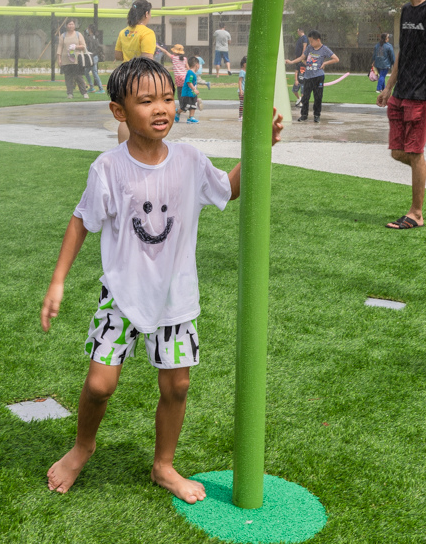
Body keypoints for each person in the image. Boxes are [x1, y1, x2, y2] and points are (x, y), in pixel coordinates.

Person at [40, 57, 282, 502]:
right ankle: (82, 447)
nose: (161, 108)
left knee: (177, 385)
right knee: (99, 384)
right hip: (122, 295)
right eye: (146, 100)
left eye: (168, 98)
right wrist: (57, 283)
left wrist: (260, 148)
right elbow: (81, 220)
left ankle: (163, 465)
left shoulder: (189, 159)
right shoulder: (109, 168)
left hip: (175, 296)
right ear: (119, 111)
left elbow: (228, 189)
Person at [377, 0, 426, 230]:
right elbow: (403, 53)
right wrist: (388, 87)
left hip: (420, 95)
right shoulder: (407, 11)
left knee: (415, 152)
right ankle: (422, 173)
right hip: (401, 93)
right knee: (397, 152)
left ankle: (416, 214)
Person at [114, 0, 156, 142]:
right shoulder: (147, 33)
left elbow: (118, 56)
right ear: (146, 14)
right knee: (144, 114)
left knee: (125, 116)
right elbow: (147, 59)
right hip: (139, 78)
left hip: (124, 76)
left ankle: (122, 150)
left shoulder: (123, 32)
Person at [285, 30, 339, 123]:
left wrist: (325, 62)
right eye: (309, 41)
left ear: (318, 40)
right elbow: (302, 57)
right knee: (305, 97)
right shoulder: (310, 48)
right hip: (308, 77)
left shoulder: (324, 49)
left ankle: (316, 115)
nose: (310, 43)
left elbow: (336, 59)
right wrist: (291, 62)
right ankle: (304, 115)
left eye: (311, 41)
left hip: (318, 77)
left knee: (318, 97)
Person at [56, 19, 89, 100]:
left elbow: (84, 46)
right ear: (66, 25)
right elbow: (59, 48)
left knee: (78, 77)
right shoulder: (63, 36)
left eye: (72, 24)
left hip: (76, 60)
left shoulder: (78, 34)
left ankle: (84, 92)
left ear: (75, 25)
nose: (71, 26)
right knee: (68, 77)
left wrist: (76, 47)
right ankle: (70, 93)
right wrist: (59, 59)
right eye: (69, 24)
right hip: (66, 60)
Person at [157, 44, 188, 122]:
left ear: (175, 52)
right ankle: (182, 109)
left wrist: (158, 47)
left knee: (180, 96)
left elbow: (165, 51)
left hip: (179, 80)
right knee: (185, 95)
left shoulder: (174, 58)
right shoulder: (184, 59)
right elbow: (188, 68)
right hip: (184, 79)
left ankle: (179, 110)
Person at [84, 24, 104, 93]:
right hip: (95, 57)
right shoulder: (95, 37)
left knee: (92, 72)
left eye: (88, 28)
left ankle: (100, 88)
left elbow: (90, 48)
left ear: (90, 29)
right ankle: (92, 87)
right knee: (88, 72)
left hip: (91, 57)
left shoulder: (89, 38)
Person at [180, 56, 200, 123]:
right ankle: (177, 112)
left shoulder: (193, 73)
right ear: (196, 65)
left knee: (193, 106)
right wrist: (194, 89)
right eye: (199, 64)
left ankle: (191, 117)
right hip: (187, 93)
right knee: (185, 107)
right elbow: (189, 82)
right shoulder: (190, 72)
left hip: (192, 94)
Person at [291, 28, 308, 105]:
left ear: (301, 31)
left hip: (301, 58)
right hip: (298, 59)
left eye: (297, 31)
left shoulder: (304, 38)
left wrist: (302, 55)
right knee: (298, 70)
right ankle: (299, 99)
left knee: (303, 89)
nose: (297, 32)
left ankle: (302, 101)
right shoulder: (300, 38)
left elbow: (305, 46)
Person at [238, 55, 247, 120]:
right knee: (242, 104)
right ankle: (240, 116)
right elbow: (240, 81)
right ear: (244, 64)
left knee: (246, 104)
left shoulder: (247, 71)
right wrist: (240, 89)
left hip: (246, 90)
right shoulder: (242, 72)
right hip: (242, 90)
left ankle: (245, 115)